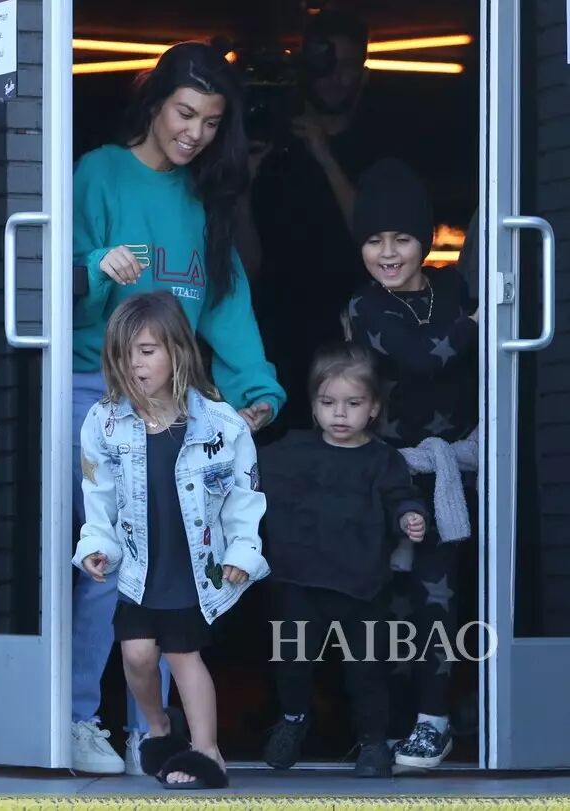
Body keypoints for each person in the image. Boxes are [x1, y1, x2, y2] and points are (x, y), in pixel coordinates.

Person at [71, 41, 285, 775]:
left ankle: (151, 736)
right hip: (93, 388)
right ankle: (80, 720)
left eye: (211, 121)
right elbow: (57, 282)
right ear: (155, 103)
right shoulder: (100, 171)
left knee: (170, 566)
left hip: (177, 404)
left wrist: (255, 390)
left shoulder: (203, 197)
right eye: (184, 113)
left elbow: (225, 301)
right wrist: (95, 268)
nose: (195, 132)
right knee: (104, 562)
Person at [72, 291, 269, 789]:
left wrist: (244, 551)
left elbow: (244, 496)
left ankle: (207, 752)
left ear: (178, 351)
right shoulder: (104, 421)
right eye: (123, 354)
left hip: (192, 563)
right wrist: (97, 546)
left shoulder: (221, 424)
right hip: (140, 564)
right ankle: (158, 730)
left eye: (146, 351)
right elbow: (99, 496)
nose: (134, 364)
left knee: (183, 656)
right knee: (137, 655)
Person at [347, 158, 478, 769]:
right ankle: (386, 723)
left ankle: (435, 720)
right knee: (389, 605)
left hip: (455, 473)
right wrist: (476, 325)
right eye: (374, 240)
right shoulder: (364, 306)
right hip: (393, 477)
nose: (388, 253)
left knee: (439, 599)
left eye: (401, 238)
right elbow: (423, 357)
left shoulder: (452, 291)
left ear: (424, 240)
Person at [258, 342, 427, 776]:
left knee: (366, 671)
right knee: (292, 663)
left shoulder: (383, 459)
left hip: (363, 586)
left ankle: (373, 744)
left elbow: (401, 495)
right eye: (327, 402)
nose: (339, 414)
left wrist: (410, 515)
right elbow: (247, 475)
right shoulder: (291, 450)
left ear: (373, 408)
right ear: (313, 405)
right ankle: (293, 720)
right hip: (299, 582)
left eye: (353, 404)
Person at [243, 9, 382, 429]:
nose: (336, 78)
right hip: (274, 335)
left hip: (349, 336)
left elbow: (376, 239)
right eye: (326, 64)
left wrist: (325, 156)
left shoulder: (376, 148)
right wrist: (243, 184)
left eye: (349, 65)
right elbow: (245, 263)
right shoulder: (273, 149)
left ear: (364, 74)